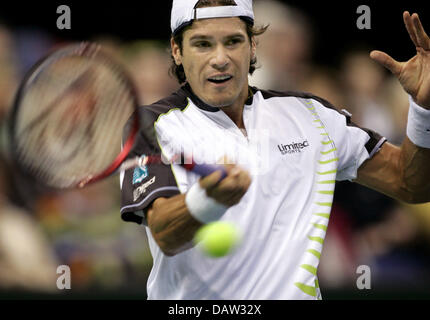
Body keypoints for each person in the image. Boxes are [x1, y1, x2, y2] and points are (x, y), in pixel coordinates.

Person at [120, 0, 430, 299]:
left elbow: (411, 184)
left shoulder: (312, 116)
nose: (220, 58)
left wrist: (422, 109)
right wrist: (208, 199)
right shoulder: (150, 125)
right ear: (177, 50)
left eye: (233, 42)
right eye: (202, 44)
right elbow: (165, 233)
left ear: (253, 46)